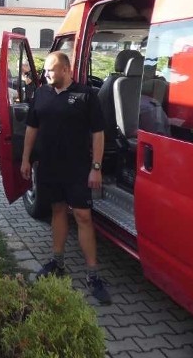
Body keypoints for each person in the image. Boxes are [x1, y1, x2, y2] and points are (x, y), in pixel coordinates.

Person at [20, 51, 112, 304]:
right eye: (46, 70)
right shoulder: (41, 93)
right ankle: (57, 262)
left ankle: (93, 274)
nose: (46, 74)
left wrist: (96, 166)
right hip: (49, 166)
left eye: (51, 70)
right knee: (57, 210)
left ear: (65, 70)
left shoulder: (86, 95)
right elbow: (31, 128)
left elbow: (98, 134)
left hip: (78, 167)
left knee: (82, 216)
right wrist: (26, 158)